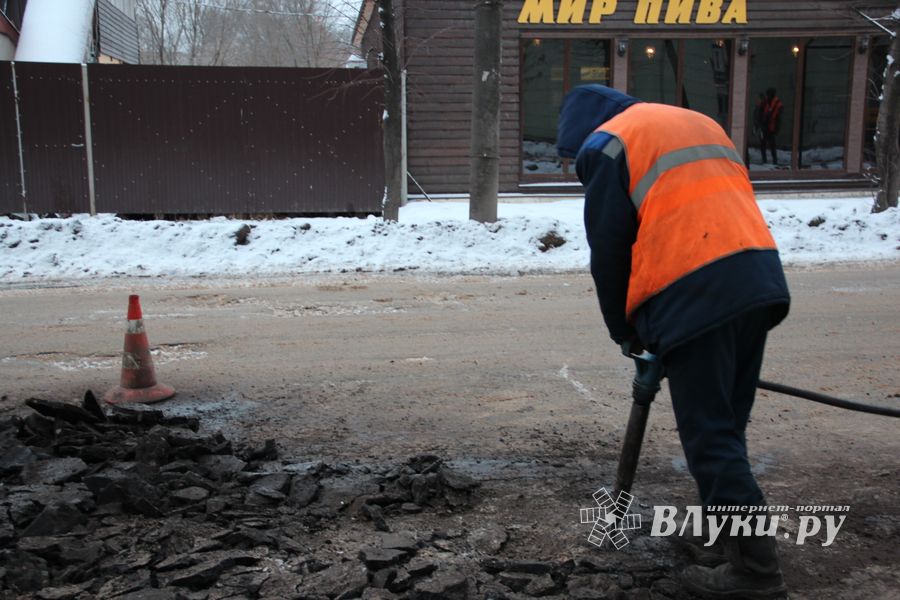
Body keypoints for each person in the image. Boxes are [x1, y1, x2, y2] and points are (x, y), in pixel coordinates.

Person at [557, 84, 791, 599]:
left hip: (696, 291)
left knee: (709, 435)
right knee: (726, 426)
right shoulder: (696, 122)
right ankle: (720, 539)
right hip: (757, 280)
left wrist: (626, 332)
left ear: (578, 132)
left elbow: (610, 252)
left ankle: (755, 575)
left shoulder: (606, 145)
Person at [761, 88, 783, 165]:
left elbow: (779, 117)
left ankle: (774, 161)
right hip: (765, 127)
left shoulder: (777, 104)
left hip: (771, 127)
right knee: (763, 144)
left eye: (769, 94)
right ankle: (764, 160)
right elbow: (762, 112)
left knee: (772, 145)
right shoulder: (766, 102)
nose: (768, 96)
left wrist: (777, 128)